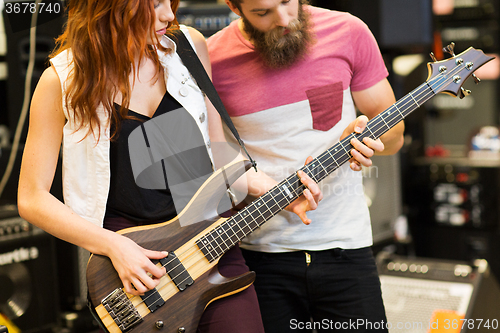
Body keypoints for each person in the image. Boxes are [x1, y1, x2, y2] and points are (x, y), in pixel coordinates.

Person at [17, 0, 328, 332]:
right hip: (134, 260)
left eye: (170, 1)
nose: (168, 14)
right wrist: (113, 244)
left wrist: (278, 191)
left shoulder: (189, 46)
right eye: (154, 4)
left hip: (209, 237)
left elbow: (218, 154)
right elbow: (32, 198)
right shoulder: (61, 81)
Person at [207, 0, 405, 331]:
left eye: (287, 2)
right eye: (262, 12)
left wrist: (369, 141)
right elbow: (213, 158)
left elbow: (396, 137)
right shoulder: (211, 59)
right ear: (233, 6)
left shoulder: (349, 31)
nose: (283, 19)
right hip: (259, 256)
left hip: (345, 248)